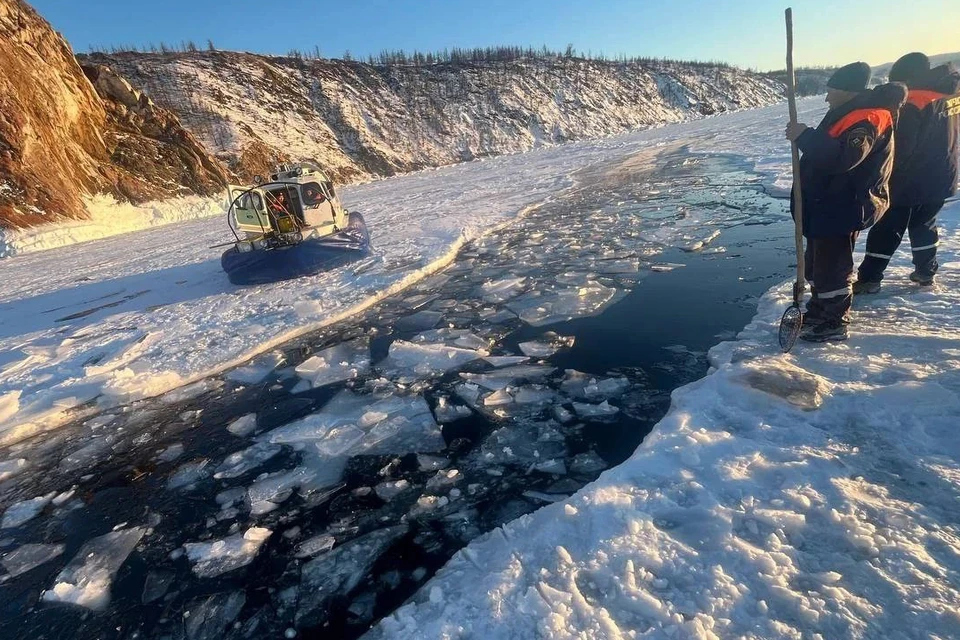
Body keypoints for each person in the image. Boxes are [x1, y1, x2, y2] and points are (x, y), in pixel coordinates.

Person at [785, 62, 907, 342]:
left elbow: (844, 158)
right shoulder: (848, 113)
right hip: (826, 203)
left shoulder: (867, 119)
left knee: (832, 267)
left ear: (847, 91)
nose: (827, 97)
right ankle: (819, 310)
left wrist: (805, 136)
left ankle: (834, 321)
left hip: (842, 205)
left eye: (831, 91)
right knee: (817, 264)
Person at [855, 53, 960, 292]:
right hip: (944, 173)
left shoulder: (913, 101)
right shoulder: (951, 93)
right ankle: (926, 271)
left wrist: (882, 171)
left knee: (887, 226)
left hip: (910, 178)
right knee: (924, 223)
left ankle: (870, 278)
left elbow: (902, 146)